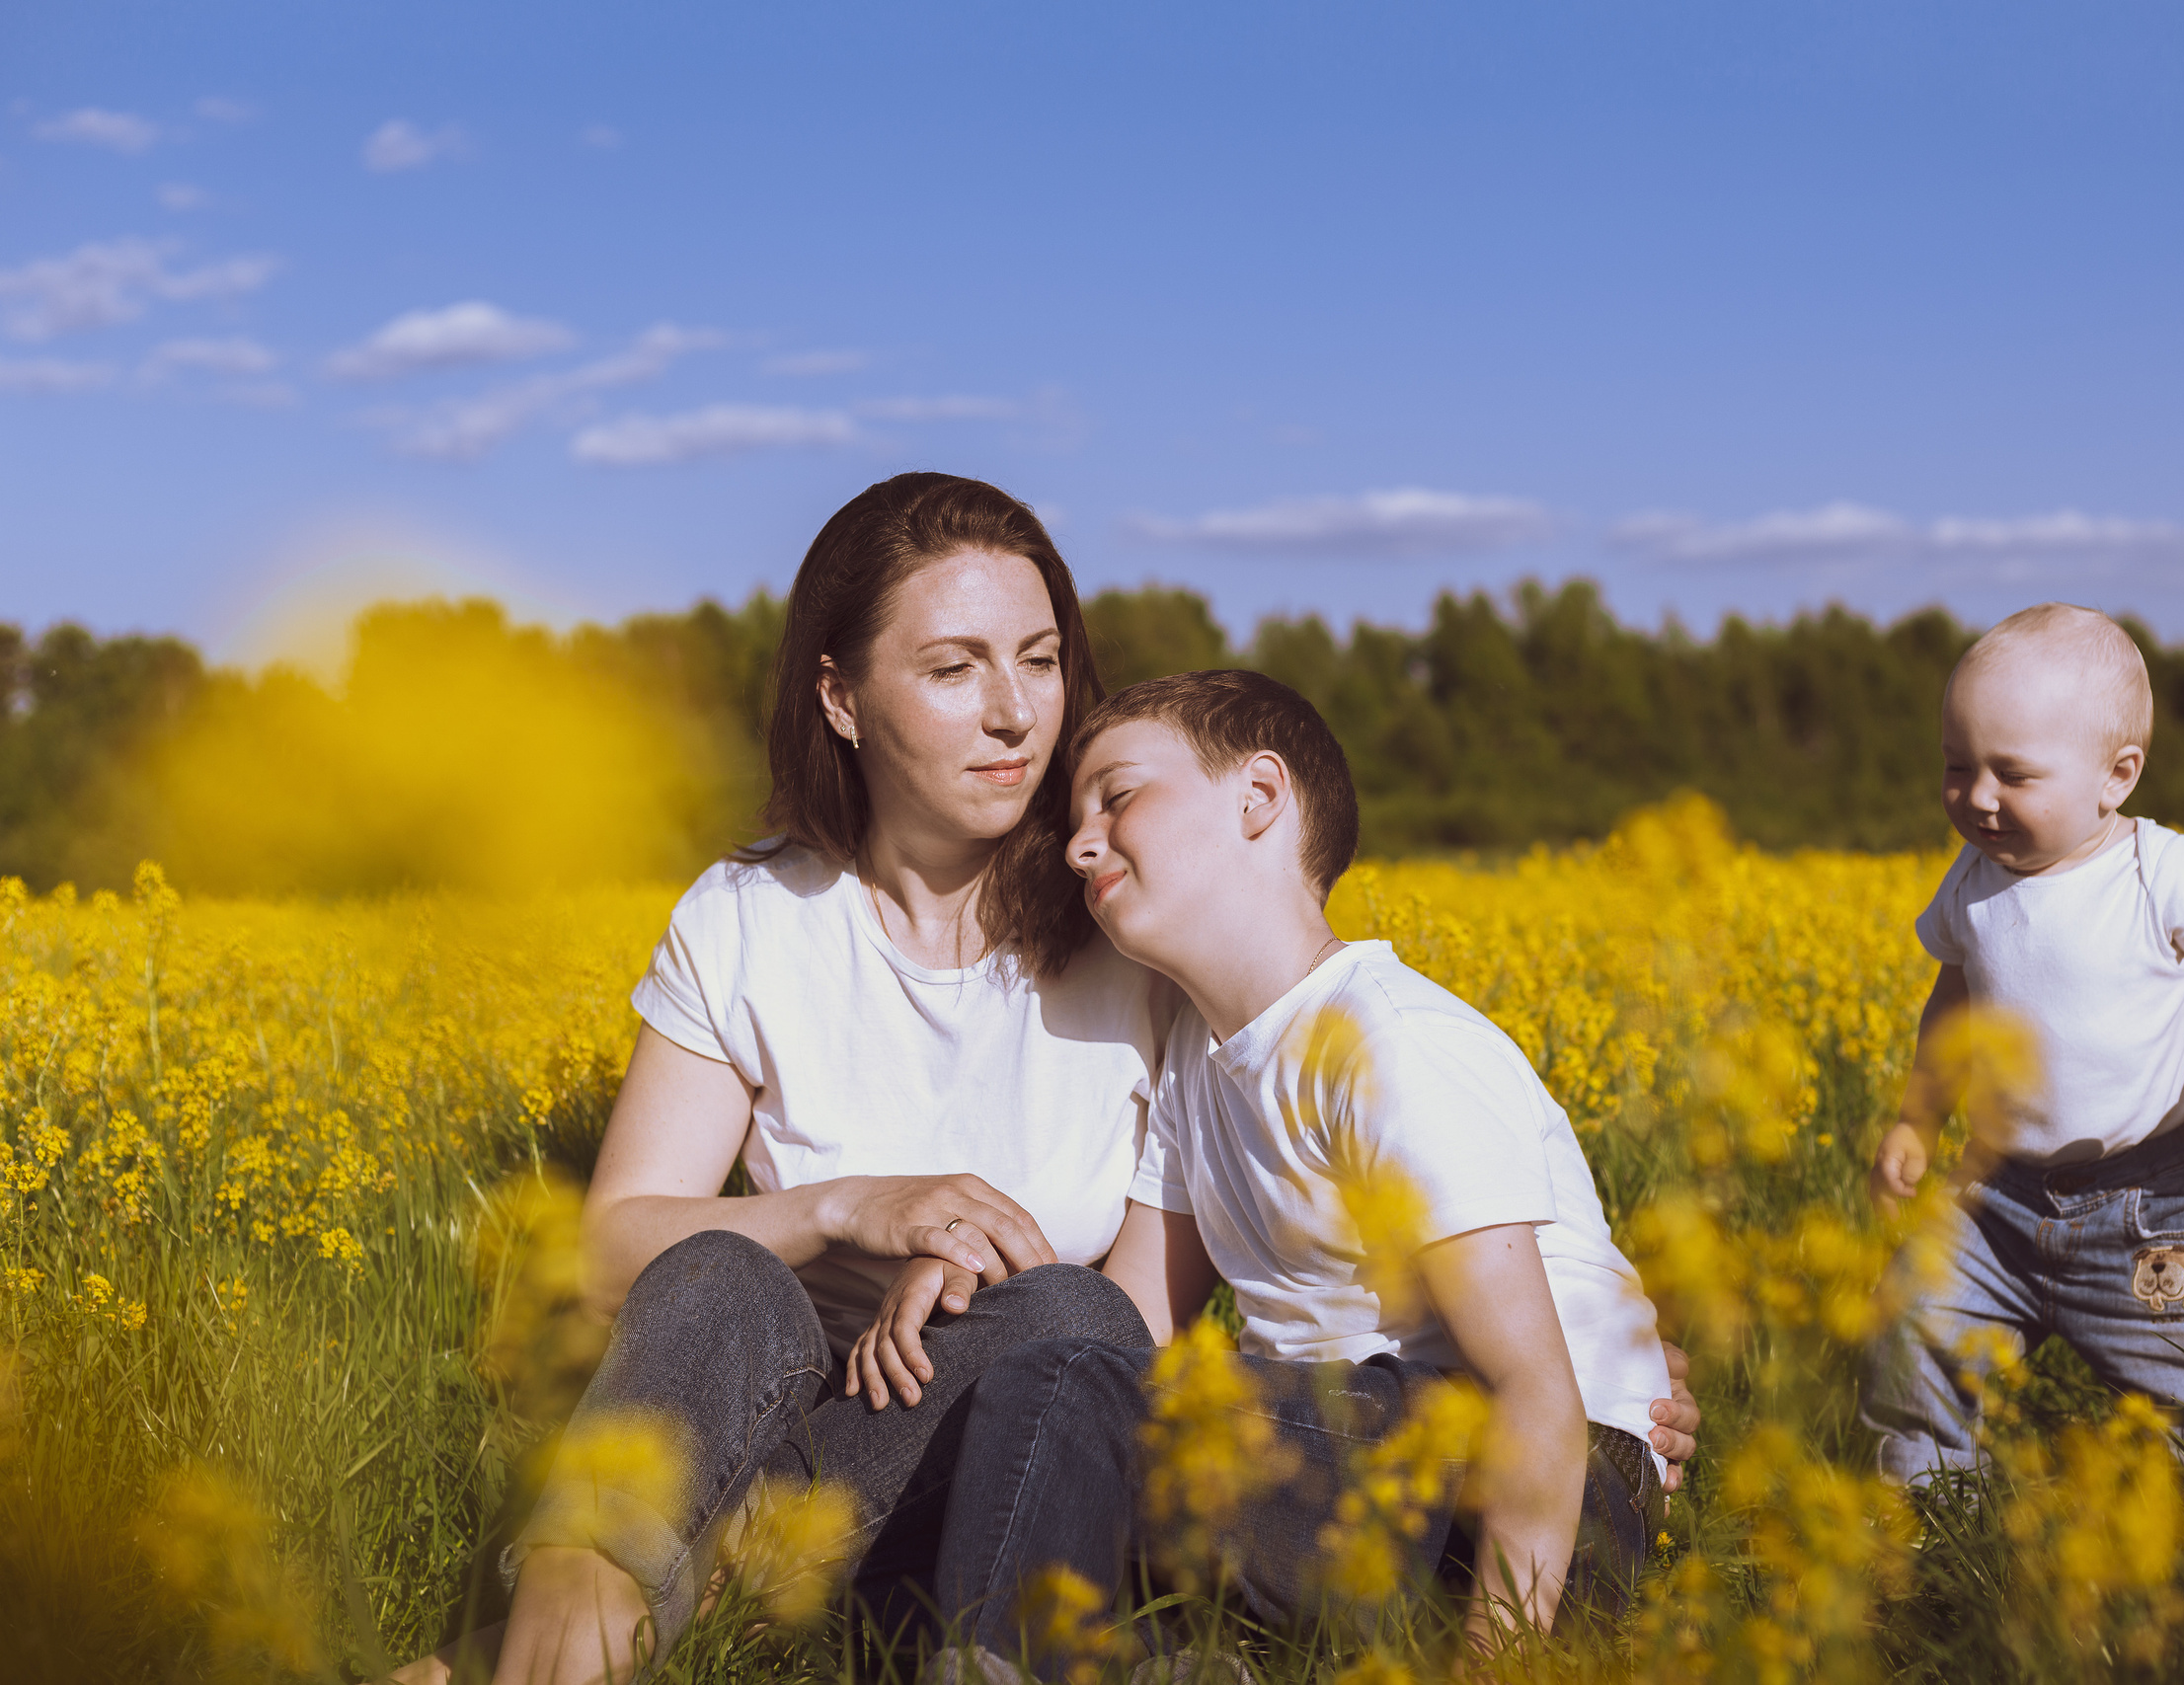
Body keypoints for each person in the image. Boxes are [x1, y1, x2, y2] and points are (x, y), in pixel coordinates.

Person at [396, 476, 1701, 1685]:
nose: (1016, 710)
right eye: (955, 667)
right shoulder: (749, 916)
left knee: (1060, 1319)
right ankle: (586, 1571)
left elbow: (1151, 1315)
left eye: (1039, 660)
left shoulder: (1133, 924)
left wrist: (1593, 1376)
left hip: (982, 1454)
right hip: (776, 1401)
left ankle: (573, 1632)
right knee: (722, 1274)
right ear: (842, 696)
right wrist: (848, 1208)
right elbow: (620, 1244)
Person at [898, 670, 1672, 1675]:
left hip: (1537, 1512)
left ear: (1259, 798)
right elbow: (1128, 1325)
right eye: (1074, 819)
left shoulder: (1388, 1040)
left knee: (1061, 1395)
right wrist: (968, 1278)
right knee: (1051, 1400)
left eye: (1117, 797)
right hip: (1354, 1476)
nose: (1080, 843)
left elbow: (1533, 1387)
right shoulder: (1196, 1063)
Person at [1860, 601, 2184, 1486]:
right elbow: (1952, 1005)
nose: (1978, 797)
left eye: (2012, 774)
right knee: (1913, 1328)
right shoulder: (1973, 880)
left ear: (2117, 776)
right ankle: (1920, 1509)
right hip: (1996, 1195)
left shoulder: (2159, 869)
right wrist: (1918, 1117)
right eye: (1957, 768)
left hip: (2154, 1204)